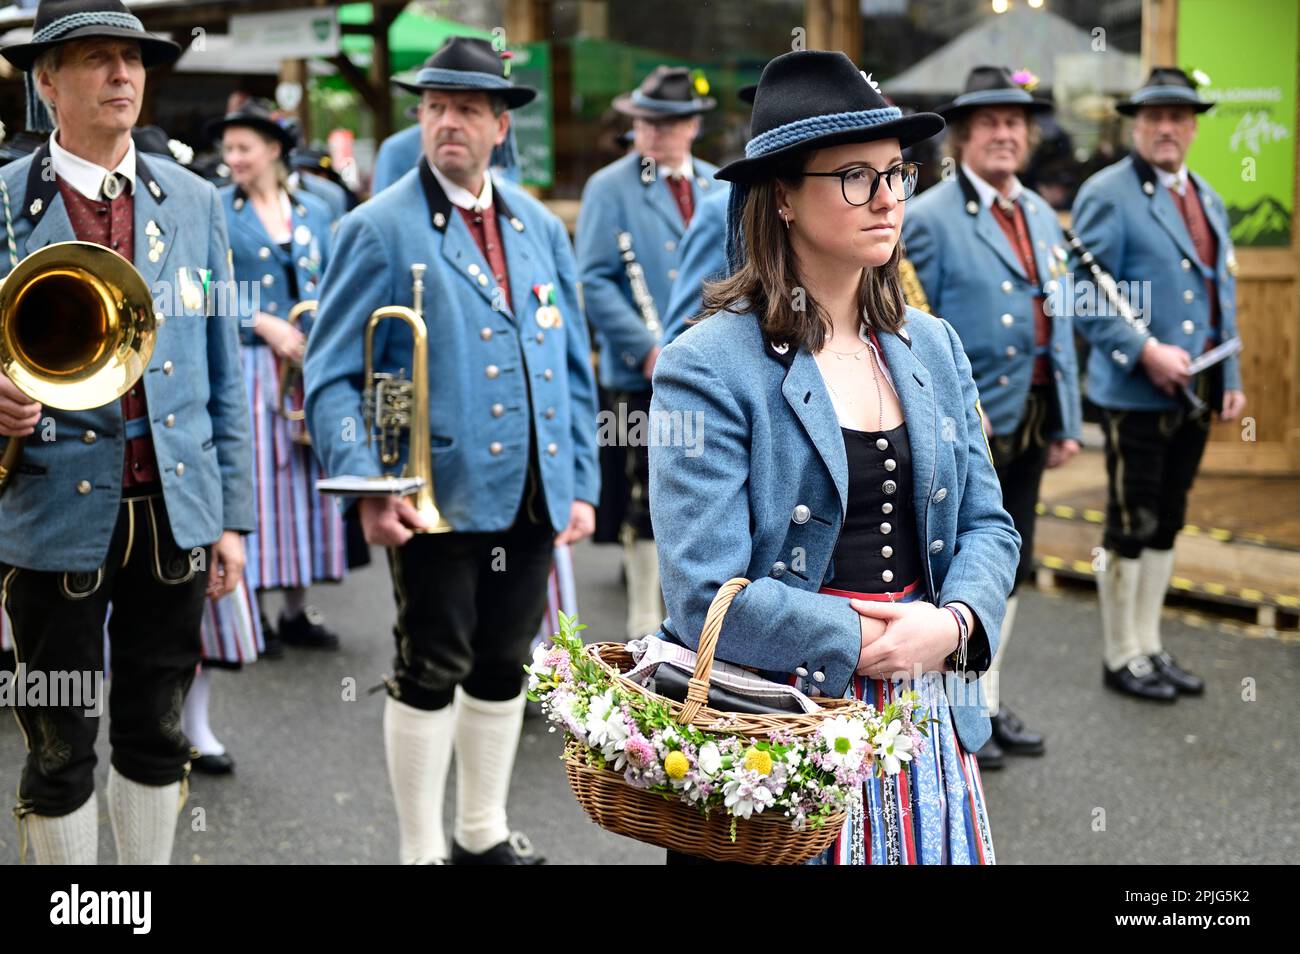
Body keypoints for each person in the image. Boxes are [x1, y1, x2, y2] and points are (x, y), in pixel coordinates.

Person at [650, 50, 1019, 865]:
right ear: (781, 194)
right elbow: (700, 592)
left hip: (926, 720)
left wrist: (953, 625)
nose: (888, 197)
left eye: (896, 172)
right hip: (776, 733)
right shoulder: (706, 364)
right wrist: (861, 639)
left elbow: (990, 524)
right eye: (855, 176)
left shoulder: (934, 345)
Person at [304, 35, 599, 865]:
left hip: (534, 487)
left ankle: (481, 833)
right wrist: (368, 483)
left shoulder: (539, 223)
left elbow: (572, 362)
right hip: (432, 490)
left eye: (468, 108)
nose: (448, 123)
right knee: (432, 663)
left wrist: (578, 482)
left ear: (501, 124)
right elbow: (329, 377)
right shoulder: (378, 225)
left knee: (505, 662)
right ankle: (419, 850)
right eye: (435, 107)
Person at [0, 0, 252, 863]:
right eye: (99, 58)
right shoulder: (2, 199)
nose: (122, 76)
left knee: (156, 730)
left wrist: (232, 520)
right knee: (59, 744)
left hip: (173, 508)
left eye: (134, 60)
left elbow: (226, 369)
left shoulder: (195, 199)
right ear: (46, 82)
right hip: (49, 508)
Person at [903, 65, 1083, 770]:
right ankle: (958, 707)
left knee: (1012, 560)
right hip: (965, 421)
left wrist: (1065, 415)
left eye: (1016, 124)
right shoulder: (928, 216)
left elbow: (1058, 320)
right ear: (966, 137)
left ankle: (988, 697)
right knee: (958, 564)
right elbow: (913, 327)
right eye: (991, 124)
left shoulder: (1040, 212)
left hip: (1032, 413)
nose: (1005, 135)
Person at [1071, 67, 1245, 701]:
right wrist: (1143, 350)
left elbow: (1221, 289)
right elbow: (1081, 291)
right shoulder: (1108, 193)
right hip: (1134, 394)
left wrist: (1232, 374)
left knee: (1169, 520)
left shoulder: (1207, 195)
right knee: (1131, 521)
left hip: (1195, 392)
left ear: (1194, 126)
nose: (1167, 127)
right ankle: (1121, 656)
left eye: (1179, 116)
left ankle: (1150, 645)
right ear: (1137, 125)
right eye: (1154, 117)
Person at [576, 65, 719, 640]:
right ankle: (641, 627)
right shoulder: (609, 186)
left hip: (711, 372)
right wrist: (646, 350)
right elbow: (595, 280)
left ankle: (698, 631)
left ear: (691, 127)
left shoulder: (720, 183)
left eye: (666, 124)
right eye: (645, 124)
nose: (653, 135)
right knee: (644, 499)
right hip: (642, 375)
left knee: (705, 494)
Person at [205, 99, 345, 654]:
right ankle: (254, 613)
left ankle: (295, 611)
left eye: (243, 148)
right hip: (254, 364)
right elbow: (202, 285)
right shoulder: (217, 207)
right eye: (229, 148)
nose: (233, 158)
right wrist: (260, 321)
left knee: (304, 484)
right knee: (260, 481)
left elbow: (337, 278)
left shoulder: (315, 207)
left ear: (274, 151)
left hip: (310, 364)